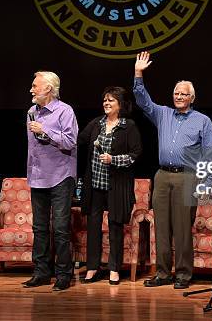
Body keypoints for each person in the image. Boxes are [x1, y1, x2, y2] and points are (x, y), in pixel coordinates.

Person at [133, 51, 212, 289]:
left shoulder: (202, 120)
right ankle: (162, 273)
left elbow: (209, 154)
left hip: (188, 176)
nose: (179, 97)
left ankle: (182, 274)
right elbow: (142, 101)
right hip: (162, 176)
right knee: (161, 228)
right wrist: (138, 73)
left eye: (183, 94)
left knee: (181, 229)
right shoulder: (163, 114)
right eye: (176, 93)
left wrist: (207, 184)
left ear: (192, 97)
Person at [78, 86, 142, 285]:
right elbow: (78, 140)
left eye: (111, 100)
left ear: (120, 105)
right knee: (93, 226)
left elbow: (135, 154)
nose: (106, 103)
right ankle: (92, 267)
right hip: (95, 184)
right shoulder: (96, 124)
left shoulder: (128, 126)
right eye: (105, 100)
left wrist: (114, 159)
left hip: (117, 186)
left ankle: (114, 268)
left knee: (115, 226)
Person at [23, 71, 78, 292]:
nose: (31, 90)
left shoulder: (65, 111)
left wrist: (45, 129)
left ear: (48, 88)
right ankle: (42, 272)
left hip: (60, 176)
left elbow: (70, 142)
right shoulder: (30, 112)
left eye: (35, 86)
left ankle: (64, 274)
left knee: (62, 228)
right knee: (39, 228)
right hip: (37, 176)